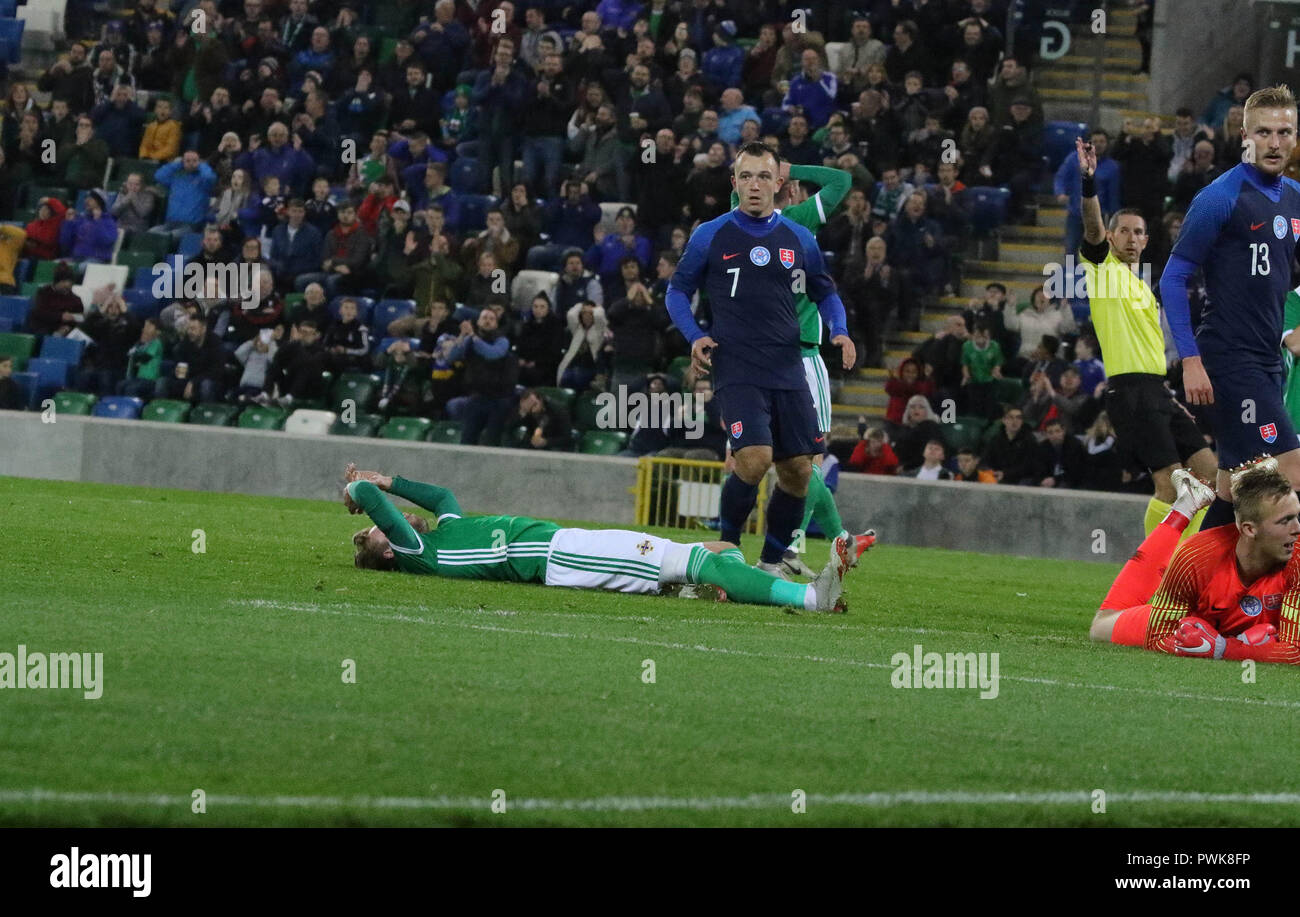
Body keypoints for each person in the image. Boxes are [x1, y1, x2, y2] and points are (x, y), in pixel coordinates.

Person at [667, 142, 855, 578]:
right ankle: (727, 550)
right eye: (747, 177)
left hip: (788, 366)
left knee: (797, 470)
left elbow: (825, 292)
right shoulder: (710, 234)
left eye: (764, 177)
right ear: (735, 184)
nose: (755, 185)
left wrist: (840, 331)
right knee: (752, 459)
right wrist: (695, 336)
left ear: (779, 184)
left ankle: (771, 562)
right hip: (737, 365)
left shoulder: (798, 237)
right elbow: (677, 292)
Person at [342, 465, 866, 614]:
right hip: (559, 556)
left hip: (566, 546)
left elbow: (441, 494)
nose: (391, 519)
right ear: (387, 546)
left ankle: (713, 588)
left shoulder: (448, 530)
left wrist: (390, 482)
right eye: (378, 528)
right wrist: (359, 491)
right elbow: (364, 491)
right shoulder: (418, 553)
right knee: (691, 559)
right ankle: (809, 597)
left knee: (713, 556)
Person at [1159, 84, 1300, 530]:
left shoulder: (1295, 196)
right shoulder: (1220, 196)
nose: (1274, 143)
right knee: (1292, 472)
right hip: (1228, 358)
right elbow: (1173, 277)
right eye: (1263, 132)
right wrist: (1191, 360)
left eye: (1284, 132)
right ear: (1244, 135)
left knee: (1231, 487)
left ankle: (1187, 591)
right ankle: (1291, 593)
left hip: (1265, 359)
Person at [1070, 135, 1219, 531]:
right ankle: (1158, 572)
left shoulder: (1143, 287)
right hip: (1129, 392)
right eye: (1125, 231)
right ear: (1112, 236)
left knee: (1211, 477)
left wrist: (1169, 398)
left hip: (1157, 391)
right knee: (1169, 486)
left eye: (1139, 232)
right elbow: (1091, 223)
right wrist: (1089, 182)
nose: (1132, 238)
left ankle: (1190, 565)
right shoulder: (1102, 270)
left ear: (1147, 240)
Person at [1090, 461, 1300, 665]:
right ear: (1249, 529)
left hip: (1224, 631)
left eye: (1297, 517)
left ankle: (1245, 480)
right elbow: (1157, 637)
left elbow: (1294, 652)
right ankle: (1183, 509)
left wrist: (1223, 648)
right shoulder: (1196, 556)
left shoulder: (1296, 556)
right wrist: (1211, 646)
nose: (1297, 528)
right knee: (1100, 627)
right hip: (1185, 623)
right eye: (1285, 521)